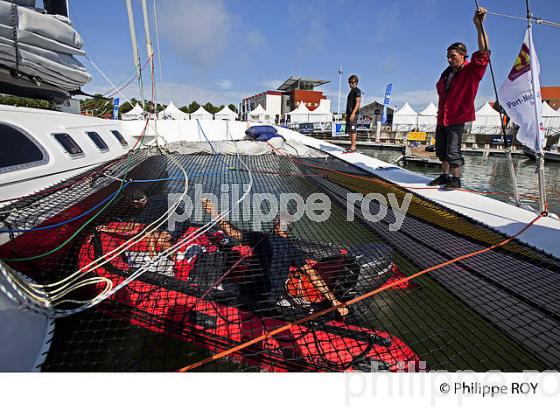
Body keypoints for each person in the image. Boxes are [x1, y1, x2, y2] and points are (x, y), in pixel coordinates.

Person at [201, 198, 349, 317]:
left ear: (276, 225)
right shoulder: (292, 249)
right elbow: (313, 275)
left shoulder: (261, 238)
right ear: (289, 229)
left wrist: (214, 212)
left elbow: (231, 232)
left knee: (218, 286)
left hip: (247, 294)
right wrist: (335, 301)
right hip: (270, 300)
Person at [429, 7, 490, 189]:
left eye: (453, 57)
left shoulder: (471, 70)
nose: (449, 60)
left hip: (457, 117)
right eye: (448, 57)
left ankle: (456, 179)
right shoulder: (447, 73)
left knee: (453, 149)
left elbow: (484, 52)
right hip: (443, 117)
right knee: (441, 148)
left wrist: (479, 26)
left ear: (463, 56)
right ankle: (445, 175)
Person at [344, 74, 361, 153]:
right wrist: (347, 114)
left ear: (356, 82)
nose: (350, 84)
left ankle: (353, 147)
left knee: (353, 130)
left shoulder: (357, 91)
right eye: (349, 82)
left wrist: (353, 113)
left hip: (353, 114)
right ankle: (352, 145)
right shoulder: (351, 92)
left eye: (352, 82)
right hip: (349, 113)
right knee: (350, 130)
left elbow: (357, 103)